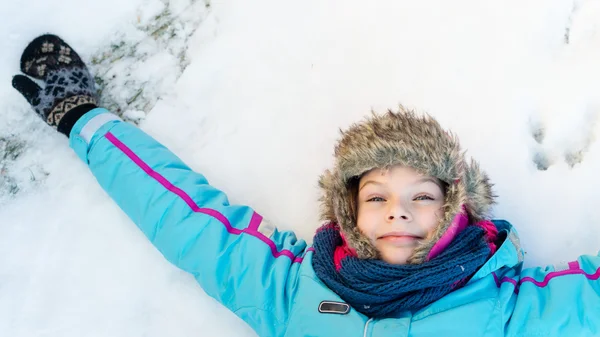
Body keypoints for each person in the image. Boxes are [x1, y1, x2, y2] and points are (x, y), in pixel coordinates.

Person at [11, 34, 600, 337]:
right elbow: (186, 218)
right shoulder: (295, 289)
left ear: (455, 208)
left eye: (423, 195)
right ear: (348, 211)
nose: (399, 212)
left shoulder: (508, 307)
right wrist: (83, 119)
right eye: (376, 197)